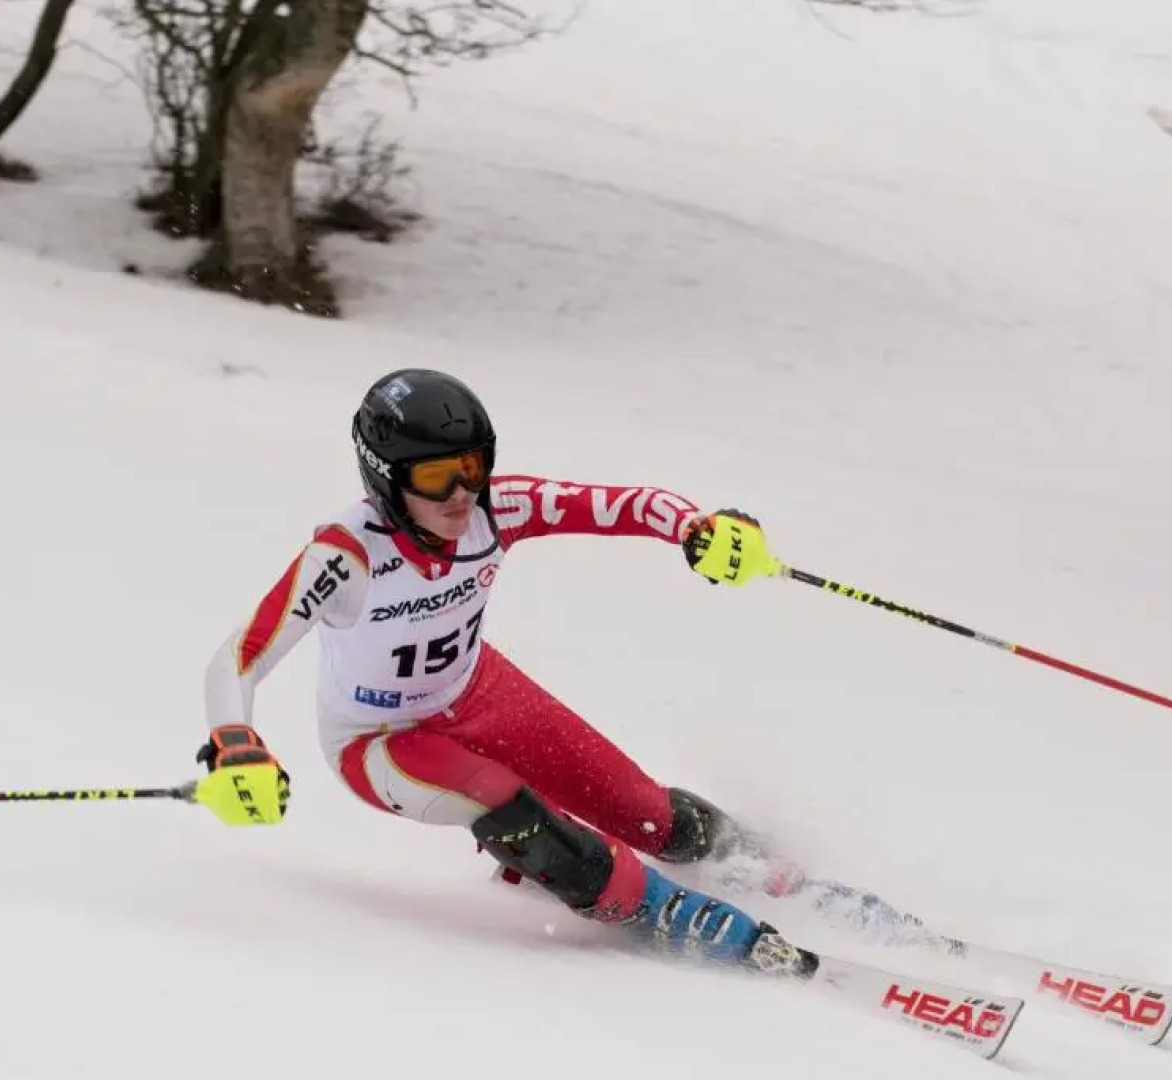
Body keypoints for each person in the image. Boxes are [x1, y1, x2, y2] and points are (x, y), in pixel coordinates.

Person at [196, 367, 807, 975]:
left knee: (643, 809)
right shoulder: (346, 555)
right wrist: (234, 741)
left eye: (473, 465)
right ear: (385, 478)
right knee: (506, 806)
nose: (462, 493)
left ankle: (760, 864)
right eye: (437, 477)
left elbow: (625, 505)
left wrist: (696, 528)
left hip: (482, 692)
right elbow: (239, 657)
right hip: (382, 741)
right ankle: (654, 906)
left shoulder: (497, 507)